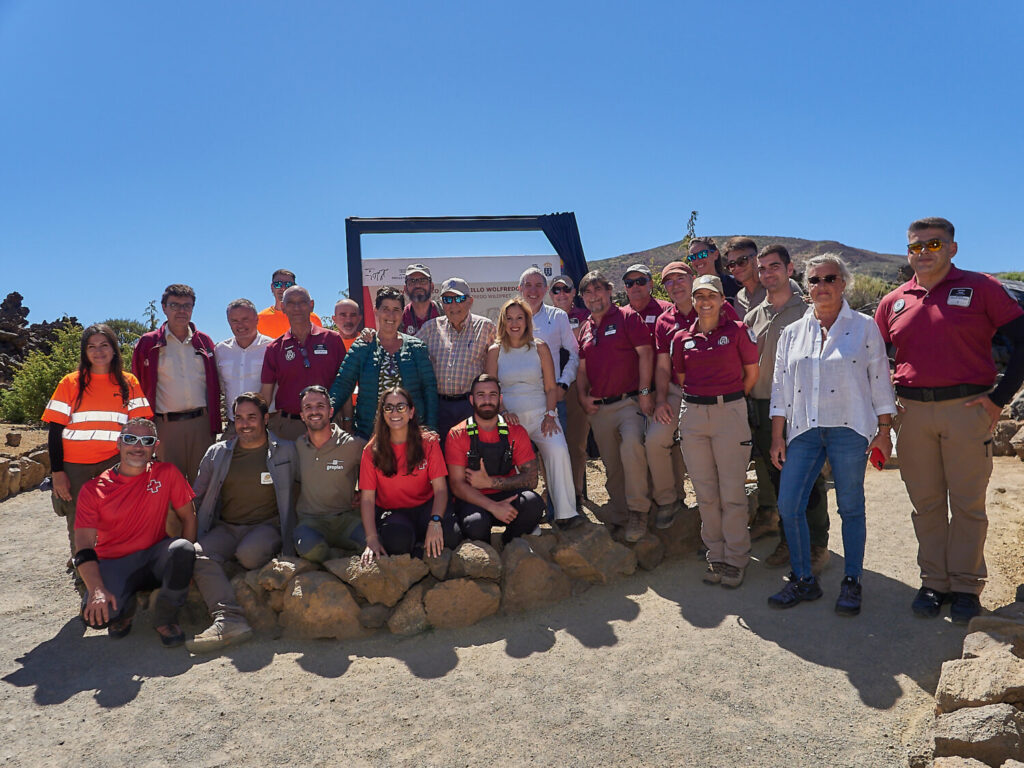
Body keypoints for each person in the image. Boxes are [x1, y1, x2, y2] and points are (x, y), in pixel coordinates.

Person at [875, 217, 1024, 624]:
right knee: (925, 504)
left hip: (967, 410)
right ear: (908, 253)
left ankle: (965, 586)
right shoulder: (893, 301)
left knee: (967, 504)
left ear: (953, 249)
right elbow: (873, 361)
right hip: (912, 412)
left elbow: (1021, 341)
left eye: (934, 245)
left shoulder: (982, 288)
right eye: (916, 246)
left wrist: (997, 401)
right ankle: (933, 582)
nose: (924, 253)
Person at [768, 254, 897, 615]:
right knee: (788, 505)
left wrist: (884, 432)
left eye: (829, 278)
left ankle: (852, 581)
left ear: (843, 283)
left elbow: (879, 381)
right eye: (814, 280)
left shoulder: (864, 327)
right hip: (804, 430)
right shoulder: (791, 333)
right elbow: (780, 388)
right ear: (806, 287)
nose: (821, 286)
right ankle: (804, 579)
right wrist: (778, 436)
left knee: (851, 507)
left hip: (850, 429)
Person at [187, 393, 298, 653]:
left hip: (266, 526)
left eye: (251, 417)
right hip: (226, 527)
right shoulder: (217, 453)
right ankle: (229, 618)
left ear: (265, 419)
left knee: (248, 556)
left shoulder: (286, 451)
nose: (245, 424)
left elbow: (305, 486)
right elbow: (197, 496)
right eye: (239, 418)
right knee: (197, 554)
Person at [73, 418, 197, 647]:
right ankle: (126, 606)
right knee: (98, 619)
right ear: (119, 444)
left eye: (146, 441)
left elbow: (188, 517)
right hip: (114, 563)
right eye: (130, 439)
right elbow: (83, 546)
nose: (138, 447)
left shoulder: (167, 473)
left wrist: (186, 566)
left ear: (155, 447)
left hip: (154, 558)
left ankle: (165, 617)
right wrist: (96, 590)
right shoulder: (93, 490)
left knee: (183, 549)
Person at [745, 245, 831, 574]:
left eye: (774, 267)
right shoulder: (753, 317)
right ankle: (788, 540)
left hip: (804, 409)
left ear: (790, 268)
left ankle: (817, 546)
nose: (768, 273)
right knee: (779, 480)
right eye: (762, 268)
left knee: (810, 480)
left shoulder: (810, 312)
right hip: (764, 407)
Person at [671, 275, 759, 588]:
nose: (705, 301)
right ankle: (716, 556)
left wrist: (729, 400)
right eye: (699, 296)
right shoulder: (682, 338)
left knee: (732, 492)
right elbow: (681, 375)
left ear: (723, 299)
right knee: (705, 491)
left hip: (729, 412)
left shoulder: (737, 332)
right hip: (693, 414)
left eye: (711, 295)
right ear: (692, 301)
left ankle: (736, 559)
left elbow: (751, 374)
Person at [43, 324, 153, 570]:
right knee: (79, 520)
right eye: (91, 346)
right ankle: (85, 574)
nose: (98, 351)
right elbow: (55, 432)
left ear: (114, 349)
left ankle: (115, 568)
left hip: (114, 464)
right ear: (85, 352)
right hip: (75, 467)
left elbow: (141, 427)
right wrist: (57, 473)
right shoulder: (70, 382)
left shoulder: (129, 382)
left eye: (104, 345)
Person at [650, 262, 741, 529]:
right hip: (680, 391)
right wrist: (660, 400)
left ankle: (719, 520)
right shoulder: (664, 320)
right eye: (669, 281)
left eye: (681, 279)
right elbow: (662, 365)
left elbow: (740, 348)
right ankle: (669, 500)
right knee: (655, 440)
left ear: (693, 279)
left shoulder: (720, 308)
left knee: (712, 456)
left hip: (719, 392)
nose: (675, 285)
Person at [485, 298, 583, 530]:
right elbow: (490, 388)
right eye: (509, 318)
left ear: (527, 321)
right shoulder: (495, 350)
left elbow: (550, 387)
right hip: (510, 421)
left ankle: (566, 513)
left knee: (558, 451)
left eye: (519, 317)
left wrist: (550, 414)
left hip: (542, 416)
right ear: (503, 322)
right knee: (515, 468)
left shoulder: (540, 347)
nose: (514, 323)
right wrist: (503, 412)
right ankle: (523, 519)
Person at [577, 271, 654, 543]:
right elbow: (583, 369)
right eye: (587, 292)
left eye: (598, 290)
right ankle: (621, 516)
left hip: (629, 401)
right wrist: (583, 397)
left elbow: (646, 354)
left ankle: (638, 511)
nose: (593, 296)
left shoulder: (627, 317)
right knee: (612, 464)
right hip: (600, 408)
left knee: (632, 448)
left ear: (609, 292)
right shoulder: (586, 328)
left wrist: (645, 392)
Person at [132, 284, 221, 484]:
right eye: (175, 305)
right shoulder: (148, 343)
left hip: (202, 424)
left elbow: (215, 384)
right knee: (170, 487)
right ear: (164, 308)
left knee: (204, 484)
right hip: (166, 427)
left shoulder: (204, 342)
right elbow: (137, 387)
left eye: (187, 306)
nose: (181, 311)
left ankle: (202, 517)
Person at [359, 387, 460, 564]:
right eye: (388, 408)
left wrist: (435, 521)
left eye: (401, 407)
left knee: (452, 536)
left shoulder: (428, 442)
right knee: (397, 543)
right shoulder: (371, 451)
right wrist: (371, 538)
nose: (395, 412)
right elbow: (367, 499)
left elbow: (441, 489)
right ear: (382, 414)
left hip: (426, 507)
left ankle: (423, 540)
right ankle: (416, 545)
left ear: (411, 412)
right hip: (394, 512)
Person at [445, 374, 546, 543]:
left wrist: (490, 483)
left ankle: (509, 543)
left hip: (507, 499)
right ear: (471, 400)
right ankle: (487, 552)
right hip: (474, 501)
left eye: (492, 395)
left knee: (533, 503)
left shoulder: (515, 431)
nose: (487, 400)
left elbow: (531, 479)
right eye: (481, 395)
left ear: (500, 399)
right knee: (476, 524)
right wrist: (492, 507)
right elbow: (456, 485)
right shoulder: (457, 434)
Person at [330, 286, 438, 438]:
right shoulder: (363, 346)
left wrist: (431, 427)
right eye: (385, 308)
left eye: (396, 309)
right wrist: (325, 412)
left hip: (411, 434)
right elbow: (343, 384)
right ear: (376, 311)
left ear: (402, 313)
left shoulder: (416, 347)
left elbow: (429, 390)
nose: (391, 315)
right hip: (371, 434)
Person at [260, 285, 347, 441]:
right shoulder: (274, 348)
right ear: (283, 308)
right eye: (291, 303)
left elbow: (344, 383)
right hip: (289, 428)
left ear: (311, 305)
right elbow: (265, 394)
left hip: (329, 425)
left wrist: (348, 421)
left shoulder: (333, 340)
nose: (297, 307)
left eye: (302, 302)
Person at [417, 277, 497, 445]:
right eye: (447, 299)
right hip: (439, 406)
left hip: (470, 405)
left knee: (471, 455)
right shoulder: (431, 328)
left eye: (459, 299)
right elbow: (405, 347)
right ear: (442, 303)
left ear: (470, 301)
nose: (453, 305)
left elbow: (503, 359)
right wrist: (374, 336)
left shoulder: (486, 327)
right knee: (443, 457)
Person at [293, 385, 366, 562]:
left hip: (346, 519)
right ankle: (336, 558)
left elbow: (382, 466)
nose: (314, 411)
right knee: (311, 551)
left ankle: (337, 558)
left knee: (372, 543)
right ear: (302, 415)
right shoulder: (297, 447)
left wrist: (365, 493)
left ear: (331, 411)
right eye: (308, 408)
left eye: (320, 406)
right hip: (311, 522)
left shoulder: (353, 445)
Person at [518, 267, 579, 436]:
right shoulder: (509, 318)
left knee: (555, 459)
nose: (533, 290)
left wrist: (563, 384)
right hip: (518, 401)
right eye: (528, 285)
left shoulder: (558, 317)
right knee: (523, 460)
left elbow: (575, 353)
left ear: (545, 290)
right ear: (519, 288)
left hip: (551, 400)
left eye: (538, 285)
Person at [549, 275, 591, 510]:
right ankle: (553, 496)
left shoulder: (585, 317)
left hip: (576, 386)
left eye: (566, 289)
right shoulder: (543, 317)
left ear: (574, 292)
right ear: (550, 294)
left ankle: (575, 496)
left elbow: (581, 348)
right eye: (556, 290)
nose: (561, 293)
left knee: (575, 444)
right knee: (550, 444)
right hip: (548, 387)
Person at [216, 299, 272, 440]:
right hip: (233, 426)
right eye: (234, 320)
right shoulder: (221, 350)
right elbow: (219, 385)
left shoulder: (271, 347)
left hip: (267, 425)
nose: (240, 325)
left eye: (245, 319)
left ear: (256, 319)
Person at [257, 269, 323, 338]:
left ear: (294, 287)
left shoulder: (312, 318)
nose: (283, 288)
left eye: (288, 284)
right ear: (272, 287)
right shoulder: (259, 319)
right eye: (278, 284)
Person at [620, 263, 672, 338]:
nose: (635, 286)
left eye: (641, 281)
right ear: (625, 288)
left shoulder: (667, 310)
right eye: (629, 283)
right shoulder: (620, 316)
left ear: (651, 284)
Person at [687, 237, 740, 305]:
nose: (697, 260)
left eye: (702, 254)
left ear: (715, 254)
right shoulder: (690, 291)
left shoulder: (735, 284)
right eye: (692, 257)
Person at [401, 263, 442, 335]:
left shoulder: (444, 313)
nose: (417, 285)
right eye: (412, 281)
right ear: (405, 289)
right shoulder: (400, 318)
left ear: (432, 287)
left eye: (423, 280)